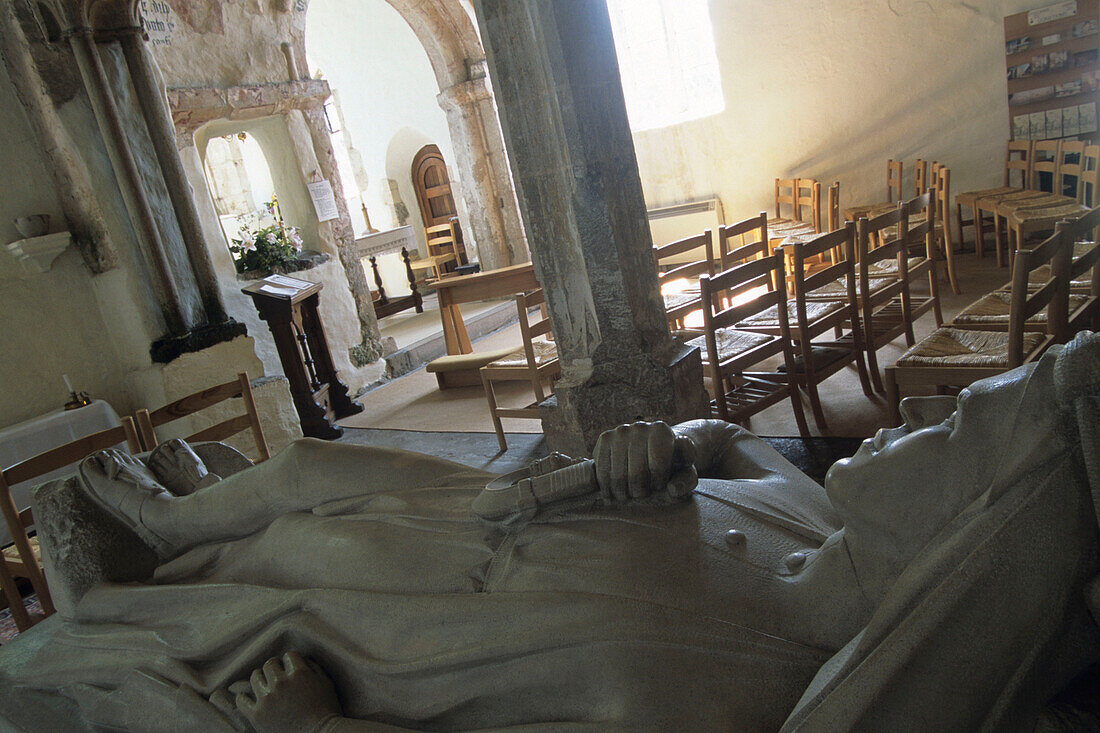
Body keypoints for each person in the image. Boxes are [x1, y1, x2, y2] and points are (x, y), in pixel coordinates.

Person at [8, 333, 1100, 732]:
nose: (916, 417)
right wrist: (664, 440)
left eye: (953, 432)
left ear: (957, 533)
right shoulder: (808, 510)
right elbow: (722, 436)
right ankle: (160, 527)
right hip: (495, 514)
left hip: (436, 636)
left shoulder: (728, 704)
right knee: (298, 469)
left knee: (273, 574)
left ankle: (118, 598)